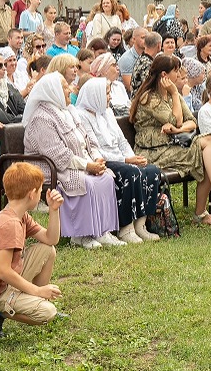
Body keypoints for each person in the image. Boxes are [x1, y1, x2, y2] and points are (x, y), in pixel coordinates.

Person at [22, 73, 130, 249]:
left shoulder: (69, 111)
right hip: (53, 168)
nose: (70, 90)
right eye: (65, 87)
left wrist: (96, 157)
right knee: (85, 182)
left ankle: (102, 231)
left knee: (106, 178)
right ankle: (80, 235)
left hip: (76, 163)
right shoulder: (41, 118)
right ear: (53, 91)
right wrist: (88, 165)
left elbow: (89, 140)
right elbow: (57, 155)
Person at [130, 54, 211, 225]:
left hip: (171, 145)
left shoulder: (173, 95)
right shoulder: (149, 98)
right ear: (164, 75)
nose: (179, 74)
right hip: (152, 152)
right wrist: (174, 94)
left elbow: (191, 122)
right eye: (176, 71)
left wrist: (177, 130)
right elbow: (176, 120)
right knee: (208, 150)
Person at [0, 163, 63, 338]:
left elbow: (50, 239)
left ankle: (33, 300)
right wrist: (37, 291)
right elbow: (3, 271)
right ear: (31, 194)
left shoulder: (19, 215)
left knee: (47, 250)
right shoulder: (10, 224)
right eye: (40, 191)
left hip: (5, 283)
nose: (41, 194)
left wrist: (54, 210)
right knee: (47, 312)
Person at [73, 78, 163, 243]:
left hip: (123, 159)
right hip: (103, 161)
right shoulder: (81, 116)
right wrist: (126, 160)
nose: (110, 97)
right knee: (131, 172)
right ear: (95, 95)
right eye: (107, 94)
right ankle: (126, 228)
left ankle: (140, 225)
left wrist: (133, 158)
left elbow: (122, 141)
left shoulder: (106, 112)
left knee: (152, 171)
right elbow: (95, 148)